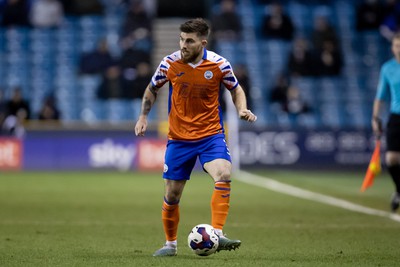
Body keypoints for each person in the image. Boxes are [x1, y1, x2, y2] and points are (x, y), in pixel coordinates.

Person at [134, 18, 257, 256]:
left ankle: (218, 234)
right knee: (172, 194)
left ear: (203, 42)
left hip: (211, 135)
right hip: (179, 138)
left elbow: (236, 88)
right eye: (181, 39)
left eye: (189, 41)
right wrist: (143, 117)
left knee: (223, 173)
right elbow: (152, 89)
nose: (183, 44)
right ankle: (170, 245)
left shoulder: (219, 64)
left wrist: (241, 108)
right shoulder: (169, 63)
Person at [372, 33, 400, 212]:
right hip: (396, 116)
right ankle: (399, 189)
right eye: (397, 45)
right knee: (391, 158)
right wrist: (375, 117)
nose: (399, 48)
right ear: (392, 47)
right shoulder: (388, 68)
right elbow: (380, 96)